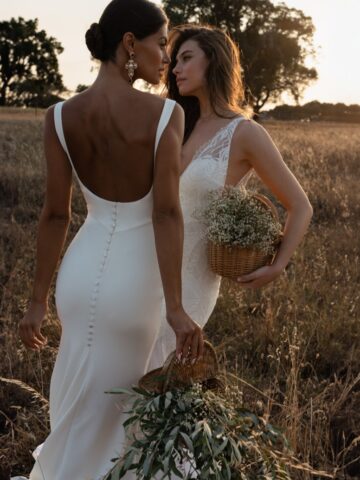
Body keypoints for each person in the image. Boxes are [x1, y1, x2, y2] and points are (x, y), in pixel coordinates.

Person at [18, 2, 203, 479]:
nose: (165, 55)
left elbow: (56, 214)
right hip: (134, 281)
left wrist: (37, 301)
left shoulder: (59, 116)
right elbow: (165, 212)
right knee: (122, 410)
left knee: (79, 392)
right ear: (128, 44)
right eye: (160, 42)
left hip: (78, 276)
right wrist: (177, 309)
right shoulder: (164, 115)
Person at [147, 25, 313, 370]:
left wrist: (278, 264)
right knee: (121, 375)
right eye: (175, 60)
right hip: (142, 264)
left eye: (187, 58)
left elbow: (300, 206)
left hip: (191, 279)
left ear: (215, 61)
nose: (175, 68)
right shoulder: (177, 122)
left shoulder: (245, 133)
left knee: (152, 377)